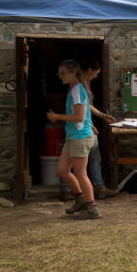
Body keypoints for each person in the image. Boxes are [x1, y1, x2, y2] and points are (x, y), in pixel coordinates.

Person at [48, 59, 100, 220]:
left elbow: (78, 116)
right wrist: (90, 124)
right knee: (63, 170)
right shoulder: (75, 89)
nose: (59, 76)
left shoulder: (77, 91)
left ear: (72, 73)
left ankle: (92, 208)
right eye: (59, 72)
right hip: (73, 136)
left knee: (81, 174)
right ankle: (80, 199)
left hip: (79, 138)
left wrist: (57, 117)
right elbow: (84, 114)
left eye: (63, 73)